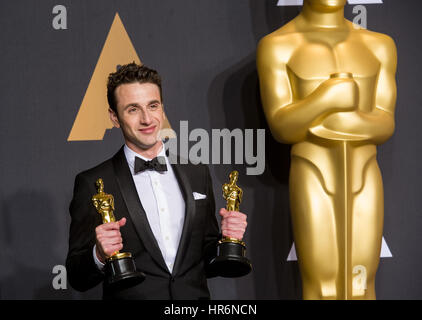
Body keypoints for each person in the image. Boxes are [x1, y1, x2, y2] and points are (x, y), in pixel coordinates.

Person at [66, 62, 248, 299]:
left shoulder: (197, 172)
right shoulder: (93, 182)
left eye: (153, 105)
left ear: (162, 108)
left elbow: (204, 260)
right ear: (114, 117)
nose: (147, 119)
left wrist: (228, 240)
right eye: (133, 109)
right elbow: (77, 278)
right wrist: (99, 255)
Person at [257, 0, 397, 299]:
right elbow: (282, 126)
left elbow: (385, 123)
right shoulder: (278, 46)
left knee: (361, 282)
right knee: (322, 283)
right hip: (312, 172)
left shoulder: (379, 45)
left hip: (364, 172)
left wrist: (328, 122)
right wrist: (325, 99)